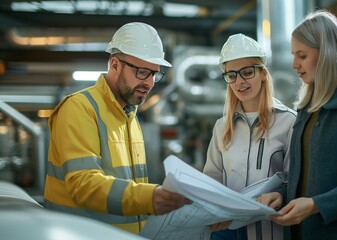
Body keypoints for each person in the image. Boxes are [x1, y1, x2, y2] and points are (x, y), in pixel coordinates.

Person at [43, 22, 191, 234]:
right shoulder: (80, 108)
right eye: (141, 72)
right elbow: (83, 184)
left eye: (154, 74)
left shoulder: (130, 117)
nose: (149, 83)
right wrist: (152, 197)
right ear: (114, 65)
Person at [257, 10, 337, 240]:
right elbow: (305, 175)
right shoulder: (309, 104)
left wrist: (316, 205)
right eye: (293, 55)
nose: (294, 64)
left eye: (302, 55)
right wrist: (281, 195)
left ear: (327, 52)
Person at [203, 33, 297, 240]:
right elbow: (213, 178)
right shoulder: (221, 127)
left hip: (268, 229)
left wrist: (281, 194)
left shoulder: (289, 122)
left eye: (247, 72)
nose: (240, 82)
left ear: (263, 73)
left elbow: (298, 180)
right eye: (232, 75)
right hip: (225, 230)